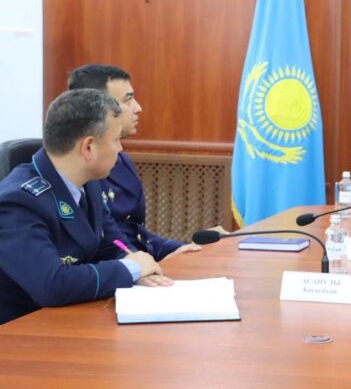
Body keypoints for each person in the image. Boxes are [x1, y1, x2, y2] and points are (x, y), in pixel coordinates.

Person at [0, 90, 172, 324]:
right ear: (88, 147)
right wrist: (129, 269)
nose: (120, 149)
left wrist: (134, 263)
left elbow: (111, 242)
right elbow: (52, 284)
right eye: (116, 139)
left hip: (72, 318)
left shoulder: (88, 183)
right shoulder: (18, 203)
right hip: (24, 332)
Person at [68, 64, 221, 261]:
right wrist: (140, 264)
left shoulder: (121, 159)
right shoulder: (80, 169)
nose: (138, 108)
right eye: (128, 100)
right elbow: (107, 243)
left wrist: (178, 249)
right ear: (97, 108)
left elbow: (135, 232)